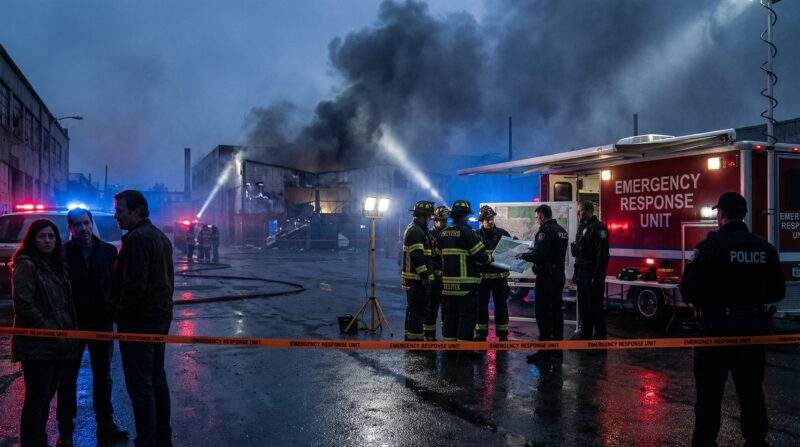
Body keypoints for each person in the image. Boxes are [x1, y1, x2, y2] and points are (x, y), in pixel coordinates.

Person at [680, 192, 785, 447]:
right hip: (752, 333)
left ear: (722, 215)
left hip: (716, 333)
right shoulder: (764, 248)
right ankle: (756, 441)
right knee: (751, 393)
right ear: (744, 215)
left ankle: (705, 442)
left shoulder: (711, 248)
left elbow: (688, 289)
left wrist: (706, 301)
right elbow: (777, 291)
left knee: (709, 396)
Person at [60, 208, 129, 446]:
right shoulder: (62, 253)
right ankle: (66, 431)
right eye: (77, 225)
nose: (83, 228)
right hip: (72, 324)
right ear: (70, 228)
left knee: (103, 377)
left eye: (86, 223)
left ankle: (106, 425)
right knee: (67, 378)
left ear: (92, 223)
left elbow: (117, 285)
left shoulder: (109, 252)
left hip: (101, 323)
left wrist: (112, 310)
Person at [113, 190, 175, 447]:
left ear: (137, 211)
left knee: (140, 384)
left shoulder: (138, 239)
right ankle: (162, 436)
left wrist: (118, 313)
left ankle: (147, 439)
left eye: (120, 211)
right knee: (156, 377)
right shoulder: (160, 236)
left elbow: (134, 286)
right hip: (159, 318)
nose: (117, 216)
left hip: (139, 322)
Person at [11, 219, 79, 447]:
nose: (47, 241)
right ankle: (32, 442)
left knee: (46, 396)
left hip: (57, 343)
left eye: (51, 236)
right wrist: (49, 330)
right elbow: (24, 305)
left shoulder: (55, 263)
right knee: (37, 399)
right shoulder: (27, 264)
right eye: (42, 236)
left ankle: (38, 440)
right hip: (37, 344)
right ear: (32, 239)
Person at [517, 204, 568, 363]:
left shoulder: (545, 231)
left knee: (543, 313)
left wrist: (523, 255)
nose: (537, 220)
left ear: (543, 215)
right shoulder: (562, 231)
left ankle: (544, 351)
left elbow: (540, 255)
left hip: (547, 278)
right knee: (556, 312)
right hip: (558, 275)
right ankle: (557, 349)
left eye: (537, 217)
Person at [439, 200, 490, 345]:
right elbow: (482, 256)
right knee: (466, 317)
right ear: (466, 216)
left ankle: (450, 346)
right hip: (466, 286)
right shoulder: (467, 232)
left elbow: (437, 255)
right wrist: (489, 257)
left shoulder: (443, 233)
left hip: (447, 286)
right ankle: (464, 349)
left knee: (450, 316)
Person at [571, 201, 609, 341]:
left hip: (592, 274)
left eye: (580, 211)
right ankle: (585, 337)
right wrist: (576, 273)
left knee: (596, 309)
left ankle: (599, 342)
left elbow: (602, 255)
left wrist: (598, 276)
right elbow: (579, 254)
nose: (578, 213)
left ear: (587, 211)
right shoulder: (582, 228)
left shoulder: (598, 229)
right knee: (583, 308)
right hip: (582, 274)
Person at [474, 205, 512, 341]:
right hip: (482, 279)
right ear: (481, 220)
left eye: (491, 218)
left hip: (499, 278)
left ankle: (502, 335)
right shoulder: (476, 235)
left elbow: (510, 254)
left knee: (501, 306)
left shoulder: (503, 234)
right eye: (486, 219)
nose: (489, 221)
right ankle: (481, 333)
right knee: (481, 307)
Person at [401, 200, 435, 341]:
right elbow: (417, 256)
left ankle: (411, 336)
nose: (429, 220)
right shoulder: (415, 231)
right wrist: (425, 276)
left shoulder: (419, 229)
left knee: (414, 309)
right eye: (428, 217)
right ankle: (415, 341)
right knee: (416, 310)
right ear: (424, 216)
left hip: (415, 279)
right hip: (416, 279)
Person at [423, 206, 449, 341]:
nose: (444, 223)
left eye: (445, 221)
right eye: (441, 220)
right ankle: (429, 334)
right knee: (432, 307)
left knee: (447, 307)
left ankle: (447, 333)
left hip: (447, 278)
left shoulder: (448, 234)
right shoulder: (429, 235)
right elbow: (428, 257)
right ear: (435, 220)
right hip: (434, 277)